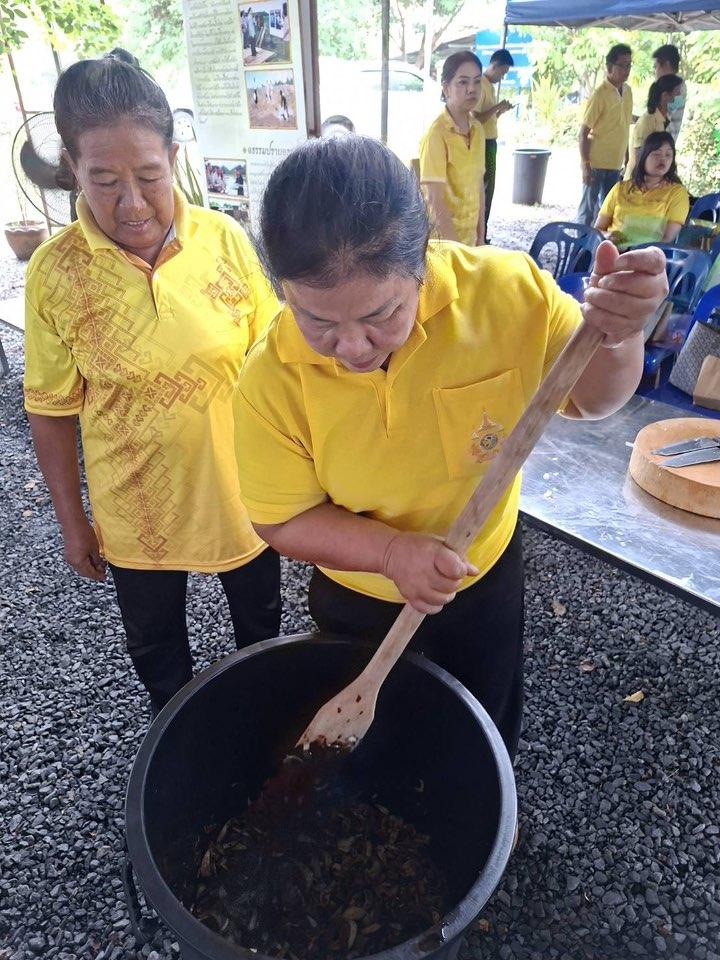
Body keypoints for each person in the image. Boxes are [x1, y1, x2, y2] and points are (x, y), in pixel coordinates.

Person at [233, 135, 667, 759]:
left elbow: (593, 398)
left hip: (481, 577)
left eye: (381, 315)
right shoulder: (268, 381)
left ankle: (492, 813)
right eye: (319, 322)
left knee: (487, 714)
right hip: (360, 592)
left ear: (422, 263)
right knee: (377, 743)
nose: (352, 348)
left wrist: (621, 333)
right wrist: (390, 554)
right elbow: (280, 518)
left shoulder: (508, 294)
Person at [23, 52, 282, 715]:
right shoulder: (55, 273)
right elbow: (50, 409)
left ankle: (262, 717)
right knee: (155, 643)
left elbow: (281, 359)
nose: (132, 203)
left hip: (241, 490)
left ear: (173, 154)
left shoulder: (223, 240)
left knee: (261, 623)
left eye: (148, 175)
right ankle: (178, 729)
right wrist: (72, 519)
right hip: (135, 506)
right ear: (72, 169)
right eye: (104, 180)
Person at [419, 51, 486, 246]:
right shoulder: (436, 135)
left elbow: (479, 187)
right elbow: (434, 200)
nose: (472, 89)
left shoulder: (478, 130)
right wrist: (457, 251)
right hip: (443, 246)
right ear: (446, 88)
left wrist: (481, 238)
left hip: (470, 244)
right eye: (463, 82)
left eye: (477, 81)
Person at [596, 131, 690, 250]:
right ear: (644, 157)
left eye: (668, 155)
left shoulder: (677, 193)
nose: (663, 159)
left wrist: (637, 254)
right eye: (656, 154)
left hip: (648, 258)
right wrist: (608, 235)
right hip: (611, 250)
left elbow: (667, 240)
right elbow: (598, 229)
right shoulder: (620, 188)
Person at [578, 44, 633, 226]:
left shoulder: (628, 91)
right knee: (588, 211)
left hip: (615, 164)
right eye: (622, 65)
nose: (627, 70)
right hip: (596, 163)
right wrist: (586, 165)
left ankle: (600, 249)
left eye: (629, 65)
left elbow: (624, 126)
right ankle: (580, 251)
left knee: (609, 213)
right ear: (610, 67)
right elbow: (583, 132)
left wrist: (627, 157)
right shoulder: (600, 94)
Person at [473, 48, 514, 238]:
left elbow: (489, 117)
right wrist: (497, 106)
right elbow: (477, 118)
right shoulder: (480, 84)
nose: (502, 77)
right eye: (502, 72)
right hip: (483, 143)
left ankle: (483, 231)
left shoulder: (489, 86)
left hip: (490, 141)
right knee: (484, 190)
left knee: (489, 190)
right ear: (494, 66)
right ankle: (480, 232)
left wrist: (500, 111)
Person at [625, 74, 683, 180]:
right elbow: (640, 155)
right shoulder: (647, 121)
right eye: (678, 93)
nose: (681, 97)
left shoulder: (664, 120)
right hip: (639, 181)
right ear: (665, 96)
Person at [653, 43, 686, 143]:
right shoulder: (665, 86)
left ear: (666, 64)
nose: (655, 71)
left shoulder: (678, 87)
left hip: (664, 141)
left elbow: (664, 115)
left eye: (656, 66)